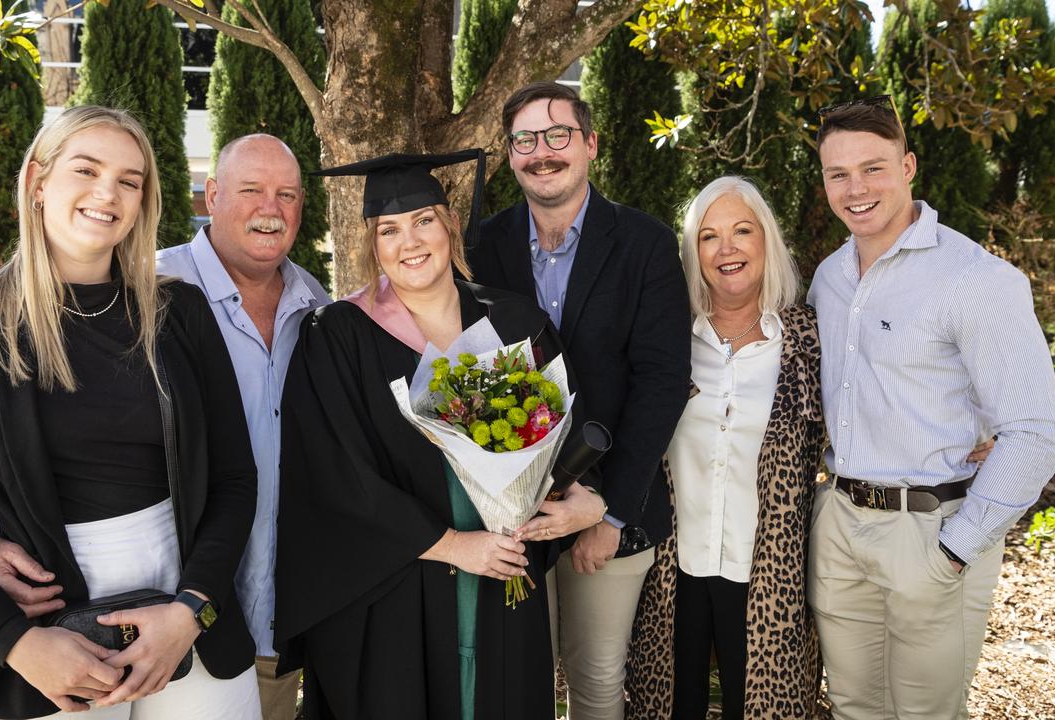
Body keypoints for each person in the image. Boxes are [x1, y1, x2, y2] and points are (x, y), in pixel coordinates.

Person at [0, 106, 260, 719]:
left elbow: (235, 481)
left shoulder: (179, 314)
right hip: (49, 648)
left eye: (129, 180)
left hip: (187, 622)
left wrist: (192, 608)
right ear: (37, 181)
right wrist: (16, 643)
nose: (107, 193)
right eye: (86, 169)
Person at [0, 133, 330, 720]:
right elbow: (19, 437)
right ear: (210, 195)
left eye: (287, 194)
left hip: (253, 613)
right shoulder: (140, 290)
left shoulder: (318, 308)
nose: (271, 208)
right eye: (251, 190)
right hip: (103, 607)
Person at [275, 150, 607, 720]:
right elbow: (336, 476)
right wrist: (456, 547)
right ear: (372, 245)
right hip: (396, 596)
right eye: (389, 229)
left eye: (423, 220)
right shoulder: (337, 336)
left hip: (506, 575)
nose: (410, 242)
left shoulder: (514, 322)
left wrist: (585, 503)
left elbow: (561, 439)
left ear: (450, 224)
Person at [806, 96, 1055, 719]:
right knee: (851, 707)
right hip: (839, 521)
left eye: (873, 168)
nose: (855, 188)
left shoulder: (974, 278)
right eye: (838, 174)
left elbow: (1034, 432)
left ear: (909, 166)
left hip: (931, 527)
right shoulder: (828, 277)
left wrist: (956, 548)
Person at [470, 81, 692, 720]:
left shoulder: (644, 245)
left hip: (610, 512)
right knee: (519, 682)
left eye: (558, 135)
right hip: (512, 516)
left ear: (590, 144)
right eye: (525, 140)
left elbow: (660, 382)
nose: (542, 151)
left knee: (597, 684)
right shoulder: (484, 245)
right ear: (510, 155)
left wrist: (611, 511)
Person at [625, 177, 826, 720]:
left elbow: (863, 416)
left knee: (763, 709)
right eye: (709, 237)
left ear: (767, 241)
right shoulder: (667, 336)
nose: (727, 248)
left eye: (742, 230)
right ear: (694, 254)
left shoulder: (808, 340)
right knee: (667, 707)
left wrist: (968, 431)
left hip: (768, 571)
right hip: (672, 567)